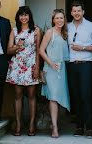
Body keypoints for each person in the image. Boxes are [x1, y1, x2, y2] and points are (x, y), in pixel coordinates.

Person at [67, 1, 92, 137]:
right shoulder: (67, 27)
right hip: (71, 65)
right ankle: (79, 126)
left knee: (85, 95)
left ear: (83, 12)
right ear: (71, 13)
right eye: (74, 11)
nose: (76, 13)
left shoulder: (91, 26)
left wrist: (82, 47)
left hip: (86, 65)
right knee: (75, 96)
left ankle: (89, 127)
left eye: (79, 11)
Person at [6, 5, 41, 137]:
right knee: (18, 95)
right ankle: (18, 123)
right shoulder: (14, 31)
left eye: (26, 15)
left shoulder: (36, 30)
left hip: (31, 65)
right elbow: (8, 50)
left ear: (29, 17)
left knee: (32, 96)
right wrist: (16, 46)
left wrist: (37, 67)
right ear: (18, 17)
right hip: (17, 66)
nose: (24, 17)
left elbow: (38, 51)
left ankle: (32, 124)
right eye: (21, 15)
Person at [39, 9, 71, 139]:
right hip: (51, 68)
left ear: (64, 20)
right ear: (53, 20)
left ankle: (54, 124)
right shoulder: (49, 32)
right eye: (57, 18)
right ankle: (55, 127)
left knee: (59, 97)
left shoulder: (65, 34)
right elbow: (41, 50)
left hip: (61, 69)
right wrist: (51, 63)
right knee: (53, 97)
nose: (59, 20)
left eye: (61, 18)